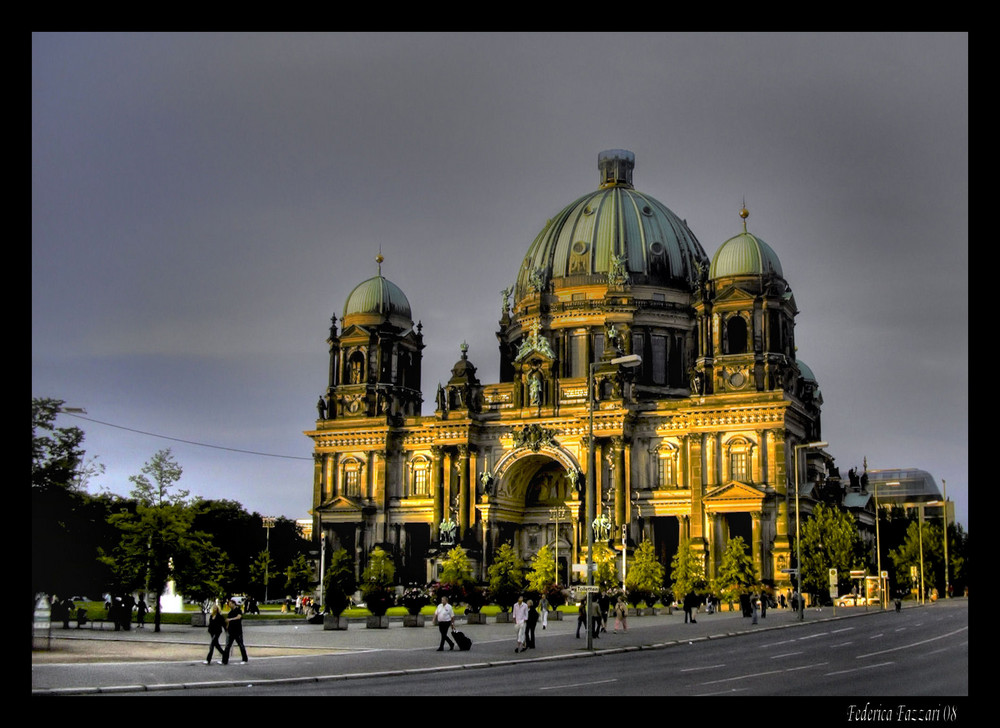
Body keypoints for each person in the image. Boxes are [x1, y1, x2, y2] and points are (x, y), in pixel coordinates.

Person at [221, 598, 248, 664]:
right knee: (227, 646)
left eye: (230, 604)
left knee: (241, 645)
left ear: (234, 604)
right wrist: (226, 627)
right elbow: (227, 621)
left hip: (237, 631)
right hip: (231, 631)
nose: (229, 605)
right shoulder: (230, 612)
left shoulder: (238, 610)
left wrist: (230, 619)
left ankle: (244, 659)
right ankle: (224, 660)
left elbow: (239, 617)